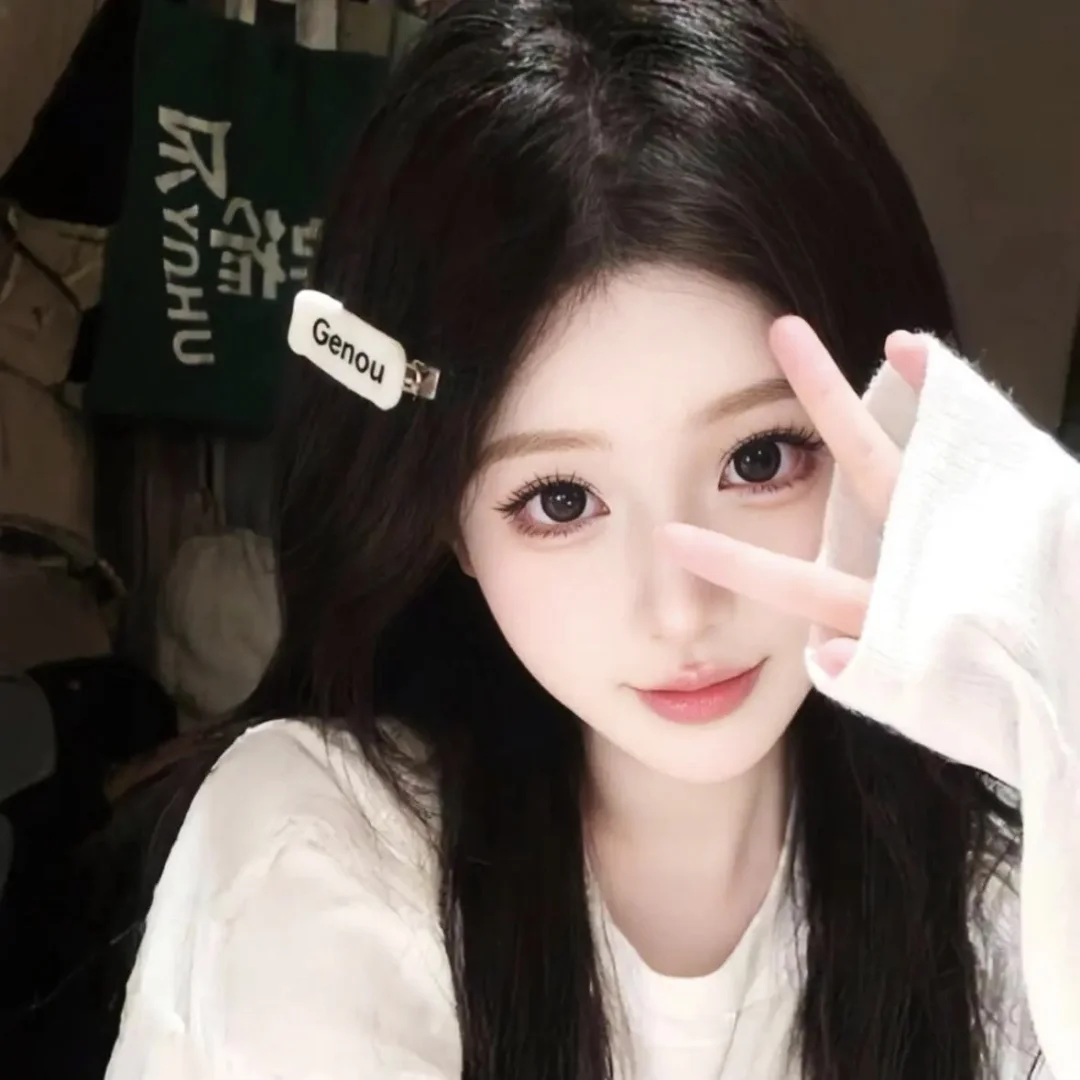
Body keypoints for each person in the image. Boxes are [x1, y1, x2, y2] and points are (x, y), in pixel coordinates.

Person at [105, 0, 1079, 1077]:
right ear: (445, 515)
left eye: (761, 459)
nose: (680, 611)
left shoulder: (1012, 886)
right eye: (561, 500)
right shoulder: (318, 849)